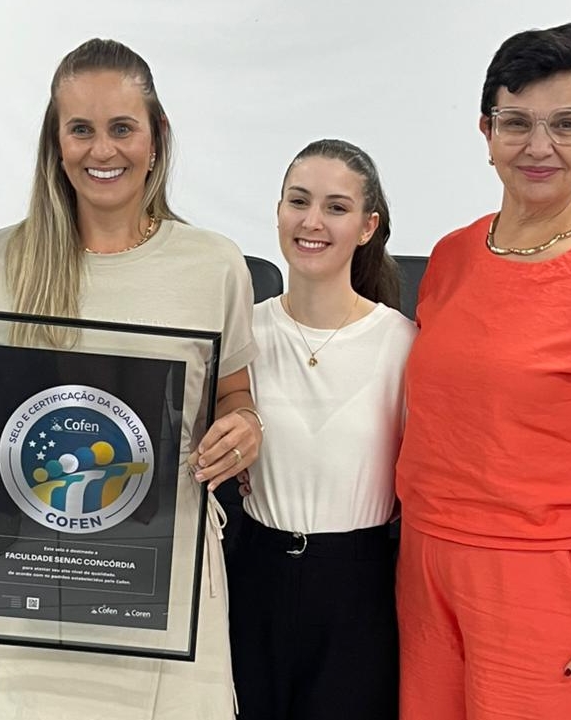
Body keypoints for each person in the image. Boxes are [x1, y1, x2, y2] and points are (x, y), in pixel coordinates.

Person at [0, 38, 260, 720]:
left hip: (167, 587)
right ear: (57, 141)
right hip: (37, 585)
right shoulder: (3, 259)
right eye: (81, 129)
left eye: (122, 128)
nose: (103, 150)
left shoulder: (215, 264)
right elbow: (13, 415)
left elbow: (233, 394)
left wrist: (244, 427)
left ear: (157, 137)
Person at [396, 22, 571, 720]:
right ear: (487, 131)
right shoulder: (450, 257)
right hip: (427, 566)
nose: (538, 146)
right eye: (516, 122)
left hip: (554, 584)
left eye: (566, 125)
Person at [227, 139, 415, 720]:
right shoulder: (241, 334)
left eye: (336, 207)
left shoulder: (403, 343)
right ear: (278, 211)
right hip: (252, 576)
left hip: (360, 591)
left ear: (367, 226)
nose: (312, 221)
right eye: (299, 201)